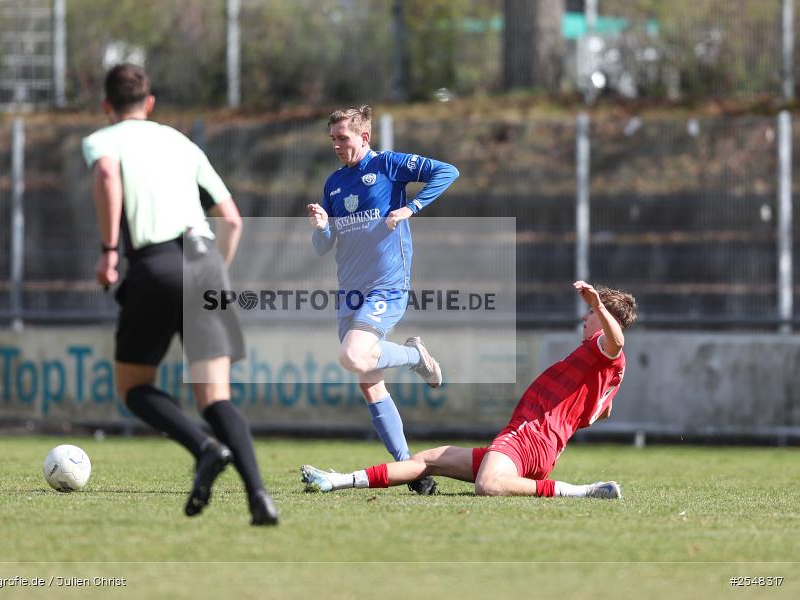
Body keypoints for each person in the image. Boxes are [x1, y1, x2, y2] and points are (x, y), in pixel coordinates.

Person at [83, 63, 278, 525]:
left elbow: (108, 178)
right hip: (206, 262)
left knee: (134, 388)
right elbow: (232, 220)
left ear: (107, 106)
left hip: (156, 264)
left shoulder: (104, 140)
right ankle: (260, 499)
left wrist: (110, 252)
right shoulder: (182, 142)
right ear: (150, 103)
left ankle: (204, 448)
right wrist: (214, 275)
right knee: (216, 397)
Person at [301, 281, 637, 500]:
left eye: (591, 312)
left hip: (528, 437)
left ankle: (584, 492)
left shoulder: (603, 348)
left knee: (488, 486)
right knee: (429, 459)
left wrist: (599, 303)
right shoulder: (609, 372)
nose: (586, 316)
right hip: (536, 444)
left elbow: (616, 341)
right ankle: (338, 481)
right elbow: (601, 412)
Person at [307, 105, 459, 496]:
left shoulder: (390, 166)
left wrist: (411, 208)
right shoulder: (335, 183)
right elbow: (325, 247)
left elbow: (448, 171)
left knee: (353, 356)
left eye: (344, 138)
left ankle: (415, 357)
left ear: (364, 137)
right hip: (351, 291)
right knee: (369, 383)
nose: (338, 145)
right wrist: (322, 227)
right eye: (334, 139)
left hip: (386, 285)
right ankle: (413, 471)